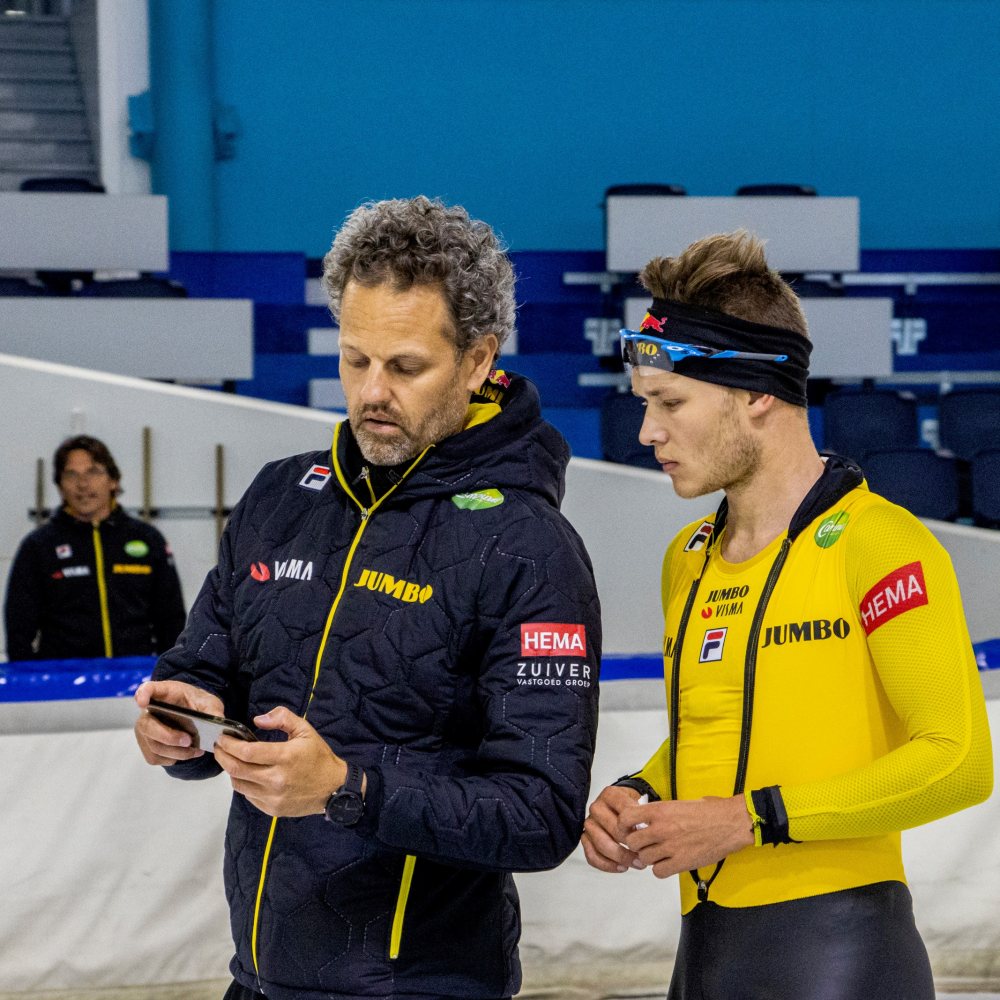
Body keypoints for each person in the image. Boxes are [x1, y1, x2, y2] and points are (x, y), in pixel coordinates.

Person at [133, 196, 601, 1000]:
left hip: (423, 984)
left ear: (480, 359)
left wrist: (348, 791)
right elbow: (201, 668)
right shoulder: (282, 498)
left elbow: (541, 813)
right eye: (355, 359)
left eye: (405, 366)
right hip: (259, 977)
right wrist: (179, 722)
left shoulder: (529, 547)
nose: (371, 392)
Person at [582, 231, 992, 1000]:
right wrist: (641, 788)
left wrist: (752, 820)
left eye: (670, 403)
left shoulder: (881, 545)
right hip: (702, 953)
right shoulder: (690, 555)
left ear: (758, 393)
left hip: (842, 953)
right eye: (644, 405)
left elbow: (957, 762)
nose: (648, 433)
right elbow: (727, 724)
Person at [4, 434, 185, 661]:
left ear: (113, 481)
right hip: (63, 688)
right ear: (60, 486)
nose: (82, 484)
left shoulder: (148, 539)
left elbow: (171, 620)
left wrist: (173, 675)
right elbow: (19, 630)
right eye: (71, 475)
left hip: (136, 684)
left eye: (93, 472)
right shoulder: (39, 546)